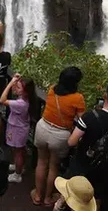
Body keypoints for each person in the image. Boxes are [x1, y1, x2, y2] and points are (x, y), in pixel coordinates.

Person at [67, 83, 108, 210]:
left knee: (75, 195)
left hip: (83, 164)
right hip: (105, 169)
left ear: (105, 96)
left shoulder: (90, 116)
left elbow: (71, 142)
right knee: (96, 199)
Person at [32, 67, 86, 207]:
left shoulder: (52, 89)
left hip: (42, 127)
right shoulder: (78, 98)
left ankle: (38, 195)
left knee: (41, 162)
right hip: (60, 134)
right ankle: (48, 198)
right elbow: (82, 120)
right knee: (54, 166)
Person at [0, 73, 39, 183]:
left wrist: (10, 83)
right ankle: (19, 167)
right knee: (19, 150)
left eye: (19, 87)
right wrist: (15, 82)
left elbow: (2, 100)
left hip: (17, 129)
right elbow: (13, 91)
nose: (16, 88)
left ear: (25, 91)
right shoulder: (27, 100)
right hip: (20, 128)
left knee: (18, 152)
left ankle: (17, 174)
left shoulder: (20, 104)